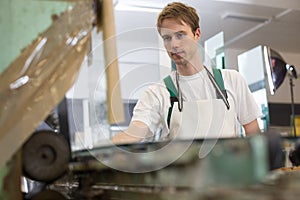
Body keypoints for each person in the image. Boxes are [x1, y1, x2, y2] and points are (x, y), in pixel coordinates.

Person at [112, 2, 261, 144]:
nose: (174, 44)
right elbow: (134, 133)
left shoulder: (232, 80)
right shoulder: (157, 93)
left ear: (196, 34)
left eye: (180, 35)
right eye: (167, 38)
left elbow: (254, 134)